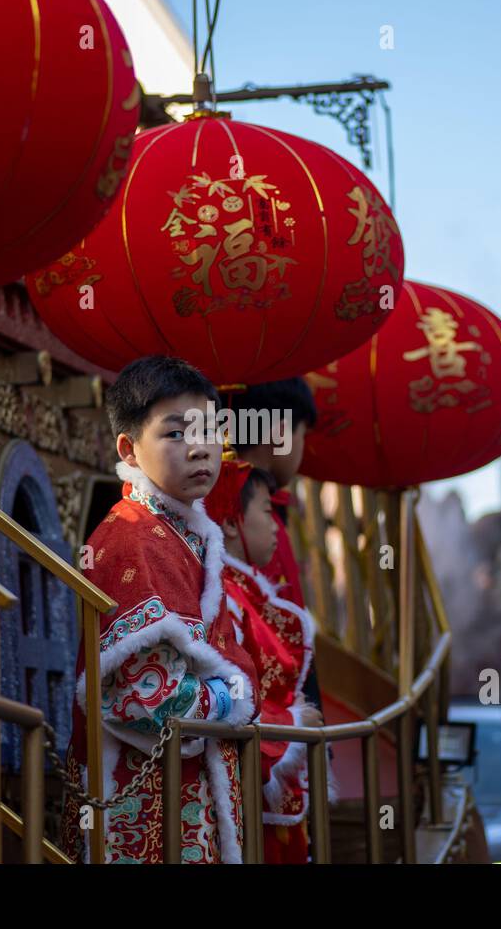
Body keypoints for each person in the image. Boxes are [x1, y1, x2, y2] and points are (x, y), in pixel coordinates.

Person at [59, 356, 259, 864]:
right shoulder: (131, 537)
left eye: (210, 430)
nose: (200, 448)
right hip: (143, 798)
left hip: (188, 790)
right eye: (175, 433)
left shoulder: (182, 532)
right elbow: (150, 698)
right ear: (129, 447)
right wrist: (232, 694)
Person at [204, 458, 323, 863]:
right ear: (232, 523)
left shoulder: (244, 595)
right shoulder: (224, 598)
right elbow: (228, 693)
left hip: (267, 786)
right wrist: (291, 725)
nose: (275, 526)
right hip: (244, 794)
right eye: (267, 511)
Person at [226, 378, 322, 710]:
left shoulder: (266, 510)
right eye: (301, 436)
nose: (302, 449)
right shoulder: (247, 514)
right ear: (280, 433)